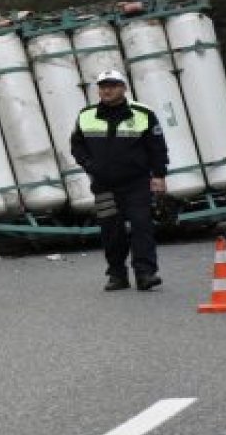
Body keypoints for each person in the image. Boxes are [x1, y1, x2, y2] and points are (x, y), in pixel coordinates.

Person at [70, 70, 169, 292]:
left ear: (124, 88)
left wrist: (159, 175)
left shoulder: (143, 114)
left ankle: (145, 273)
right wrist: (89, 165)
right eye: (103, 85)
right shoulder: (86, 115)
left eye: (113, 85)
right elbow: (77, 146)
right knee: (110, 230)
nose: (107, 90)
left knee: (141, 225)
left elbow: (157, 147)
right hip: (103, 185)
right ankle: (117, 274)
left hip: (136, 182)